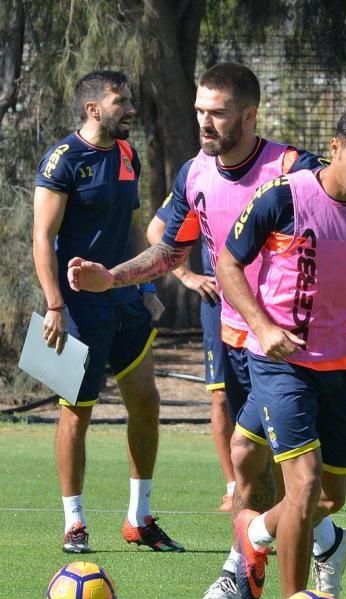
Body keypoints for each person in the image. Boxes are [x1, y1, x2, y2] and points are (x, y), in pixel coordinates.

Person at [66, 67, 346, 599]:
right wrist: (112, 278)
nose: (204, 122)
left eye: (217, 112)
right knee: (252, 465)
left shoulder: (291, 168)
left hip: (284, 347)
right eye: (198, 110)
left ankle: (256, 554)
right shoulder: (194, 173)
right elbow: (168, 253)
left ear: (248, 115)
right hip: (239, 337)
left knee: (285, 477)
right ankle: (298, 557)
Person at [216, 103, 346, 599]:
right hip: (281, 359)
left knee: (327, 498)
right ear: (335, 148)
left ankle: (253, 537)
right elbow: (227, 262)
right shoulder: (283, 197)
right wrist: (261, 325)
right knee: (302, 485)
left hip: (339, 364)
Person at [33, 70, 184, 554]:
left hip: (126, 303)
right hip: (74, 309)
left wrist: (146, 283)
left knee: (146, 401)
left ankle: (139, 518)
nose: (131, 110)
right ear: (93, 109)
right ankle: (74, 523)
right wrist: (55, 303)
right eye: (121, 102)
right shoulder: (62, 160)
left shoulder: (126, 155)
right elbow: (40, 238)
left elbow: (137, 227)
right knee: (76, 414)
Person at [146, 203, 236, 511]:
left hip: (267, 296)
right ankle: (234, 487)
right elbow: (156, 230)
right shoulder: (198, 173)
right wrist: (186, 275)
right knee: (222, 395)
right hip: (218, 301)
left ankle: (277, 484)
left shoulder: (279, 164)